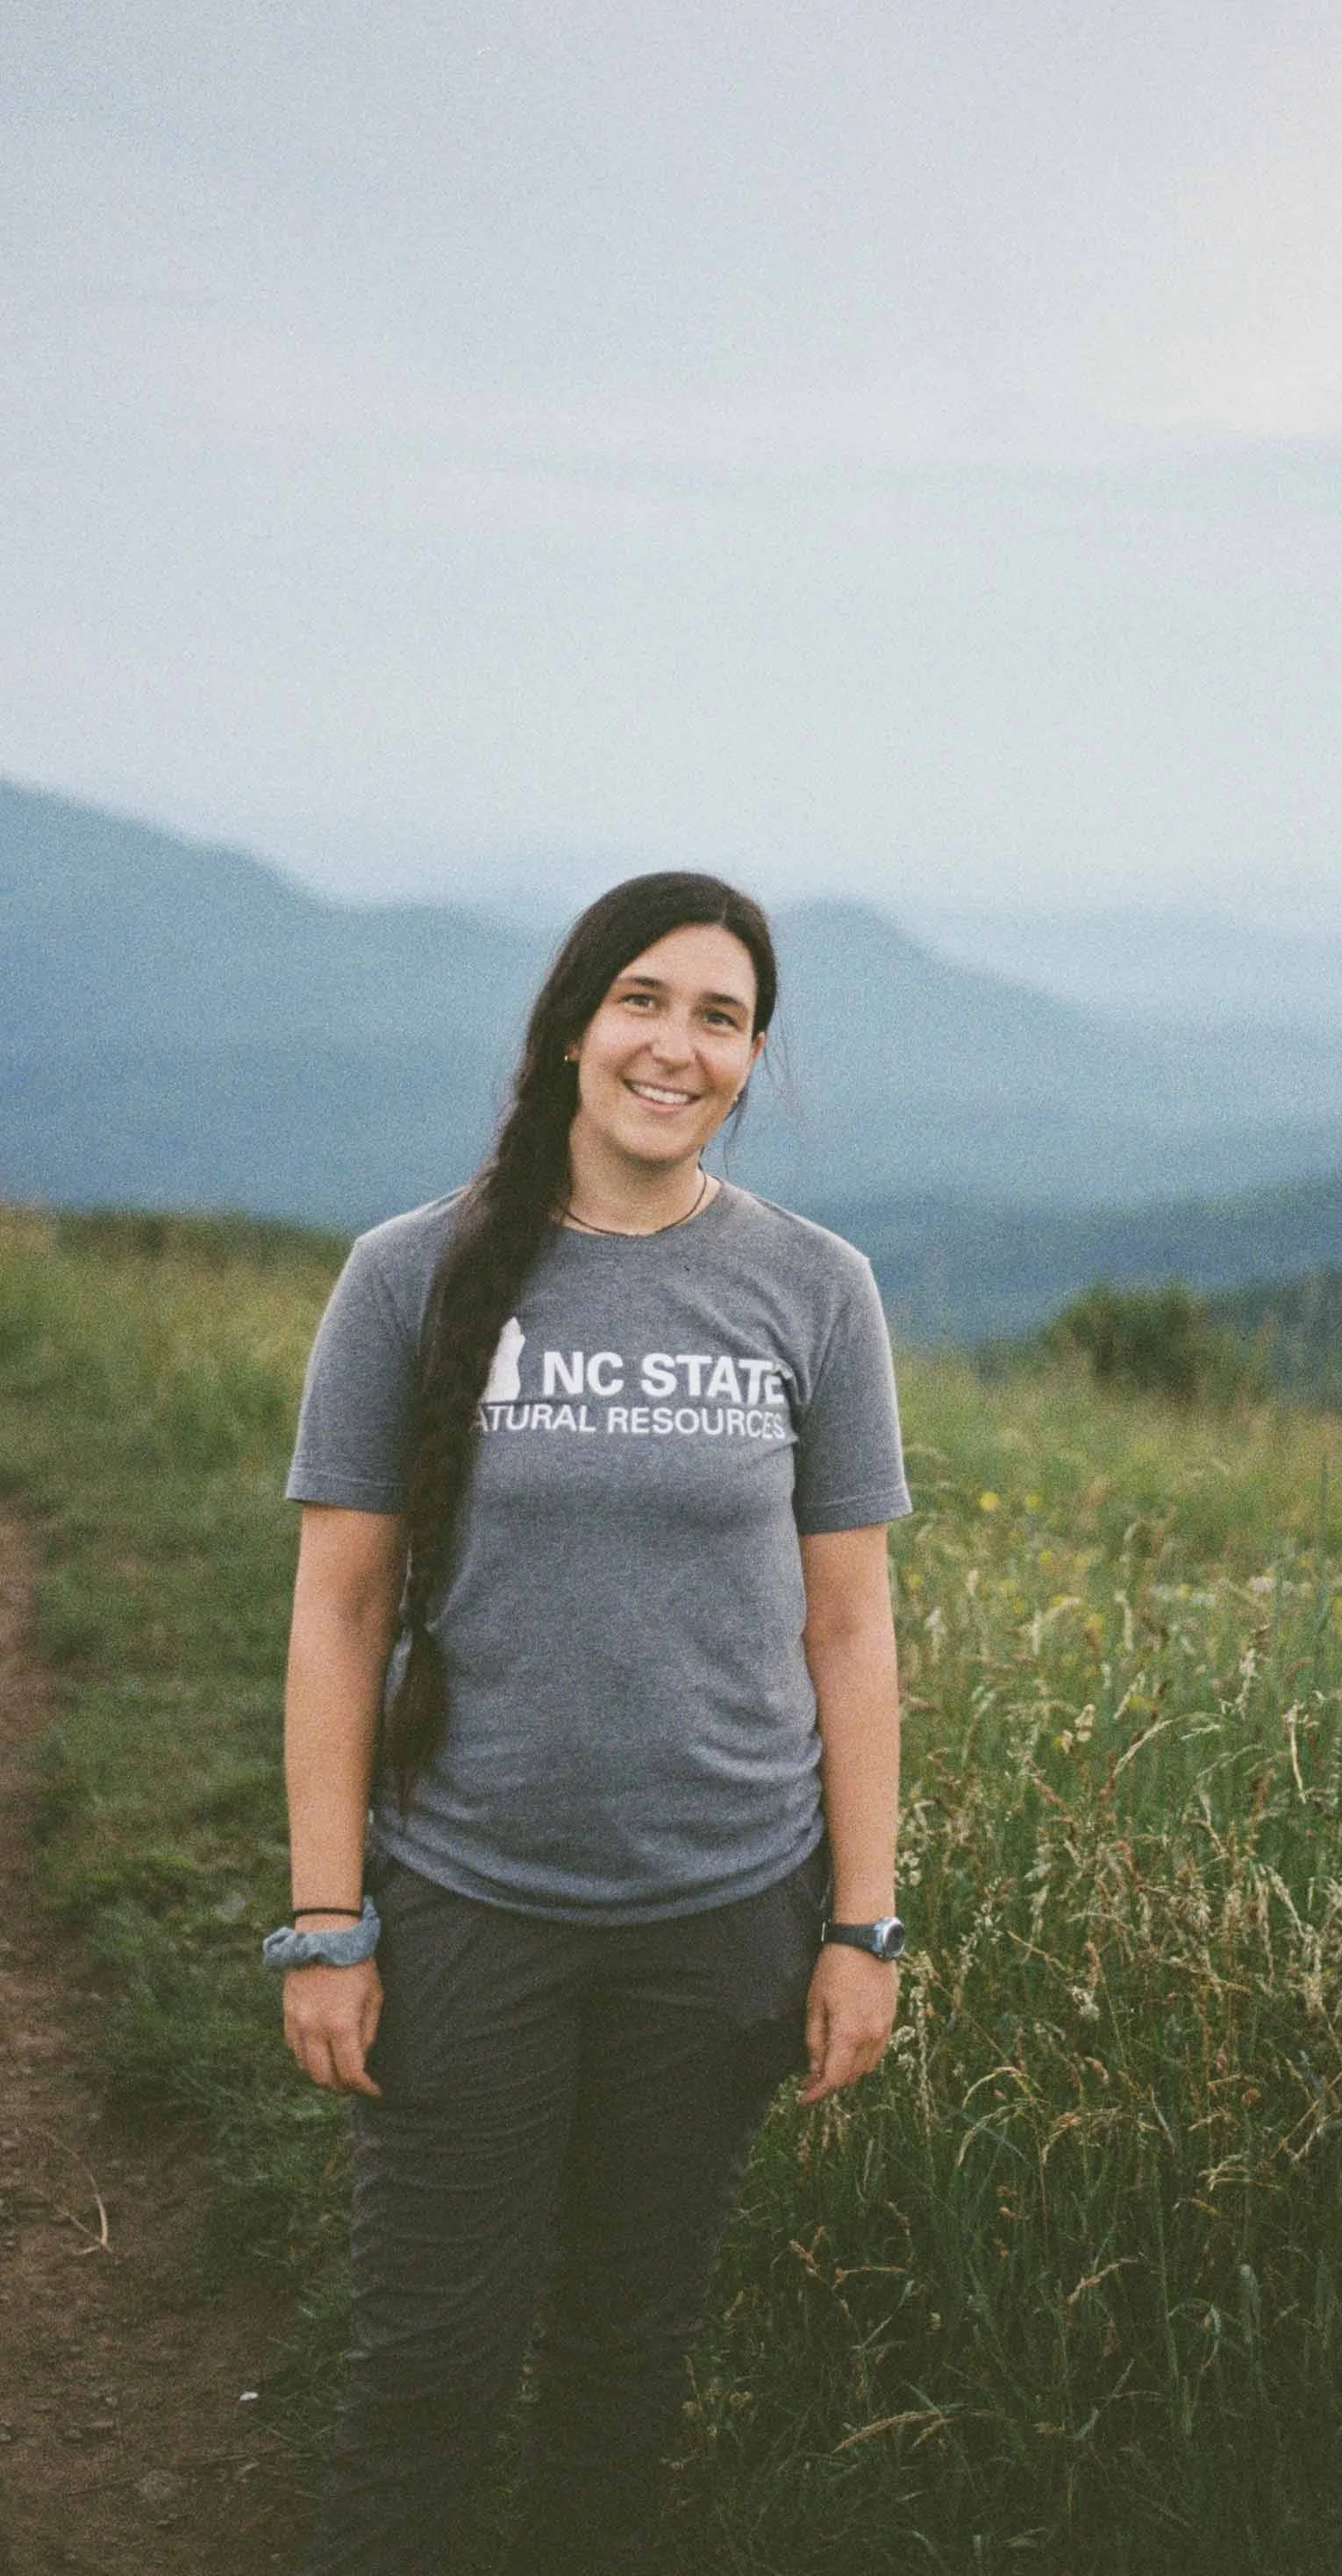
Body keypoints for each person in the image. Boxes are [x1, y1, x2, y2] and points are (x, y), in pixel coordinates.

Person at [268, 872, 912, 2575]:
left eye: (719, 1017)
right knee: (426, 2379)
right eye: (643, 1000)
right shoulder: (408, 1277)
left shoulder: (813, 1288)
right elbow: (336, 1617)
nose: (675, 1045)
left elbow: (848, 1627)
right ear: (570, 1026)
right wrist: (324, 1922)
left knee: (626, 2371)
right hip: (474, 1906)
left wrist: (862, 1922)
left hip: (722, 1922)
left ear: (751, 1058)